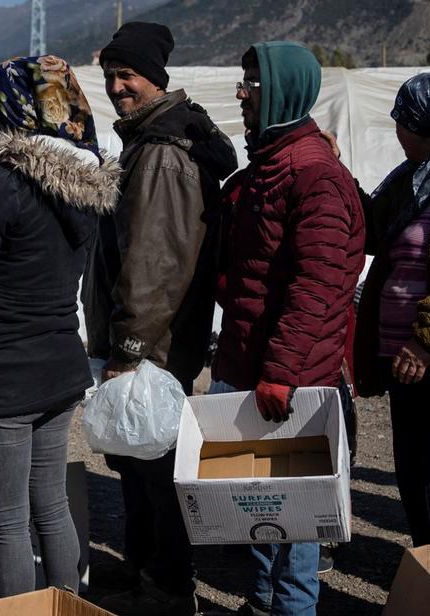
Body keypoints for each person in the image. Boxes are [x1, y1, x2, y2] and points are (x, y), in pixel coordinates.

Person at [0, 54, 119, 598]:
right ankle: (67, 607)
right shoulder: (86, 186)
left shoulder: (3, 181)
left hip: (2, 376)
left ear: (16, 108)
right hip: (59, 364)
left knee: (8, 524)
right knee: (53, 507)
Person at [83, 22, 237, 615]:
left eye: (128, 75)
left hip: (154, 341)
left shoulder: (161, 153)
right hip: (155, 338)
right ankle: (145, 571)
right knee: (136, 462)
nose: (118, 86)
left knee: (157, 472)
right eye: (111, 76)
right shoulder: (150, 141)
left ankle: (169, 586)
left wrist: (129, 346)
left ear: (156, 78)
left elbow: (155, 262)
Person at [211, 42, 364, 616]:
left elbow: (320, 288)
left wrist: (280, 372)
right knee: (255, 499)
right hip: (252, 364)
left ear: (283, 92)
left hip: (291, 380)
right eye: (242, 80)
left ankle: (293, 609)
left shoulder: (315, 175)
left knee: (293, 510)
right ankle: (261, 601)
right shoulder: (270, 165)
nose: (241, 92)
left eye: (252, 82)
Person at [353, 72, 430, 548]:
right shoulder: (409, 183)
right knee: (416, 477)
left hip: (424, 356)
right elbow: (370, 230)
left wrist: (425, 339)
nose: (397, 132)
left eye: (403, 122)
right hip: (406, 366)